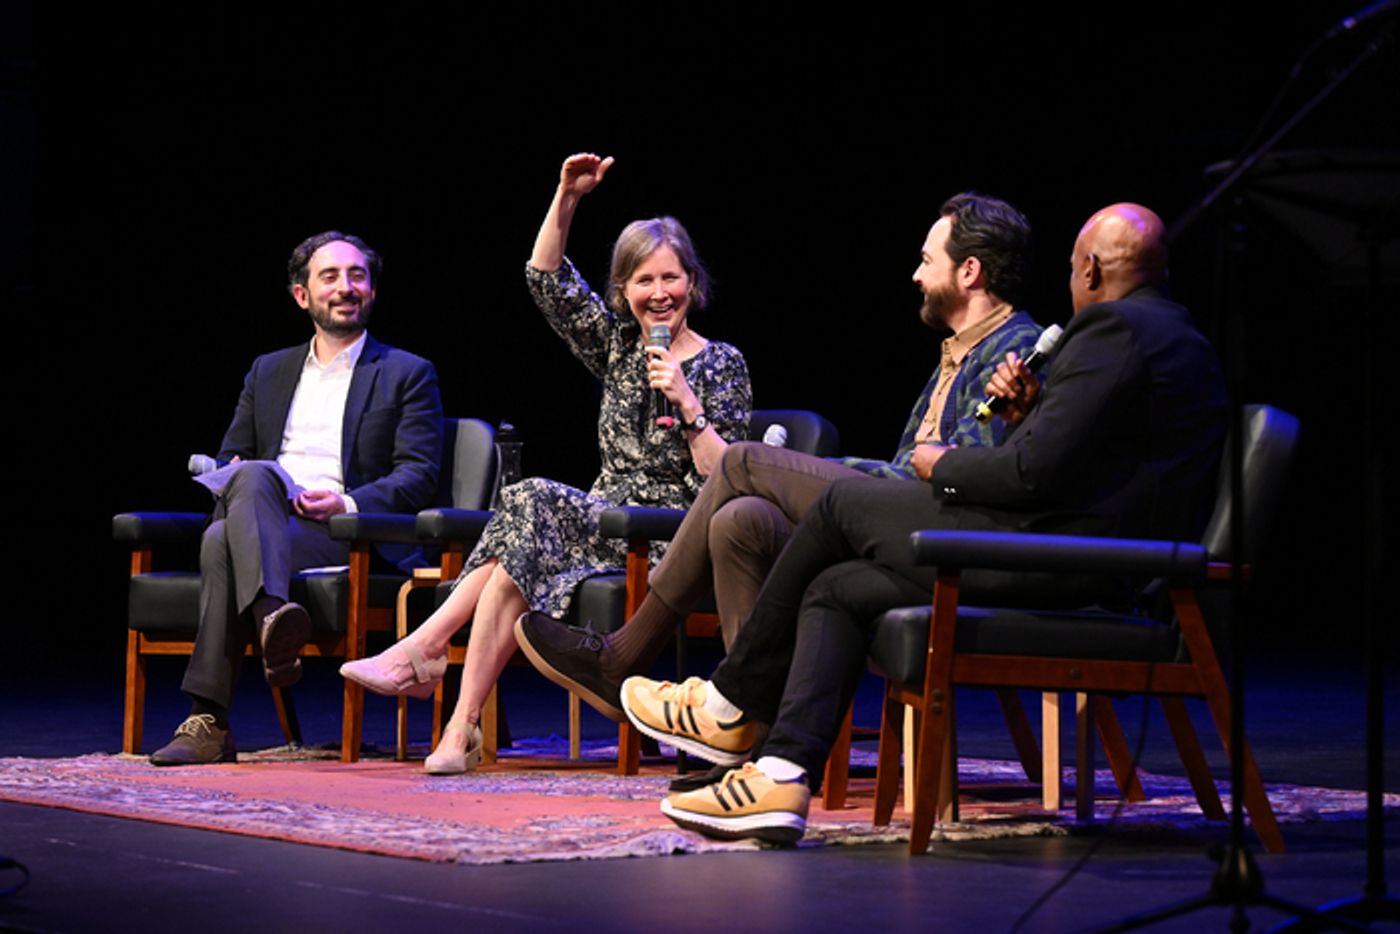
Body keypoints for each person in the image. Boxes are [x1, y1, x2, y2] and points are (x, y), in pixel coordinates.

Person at [621, 203, 1230, 843]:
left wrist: (944, 464)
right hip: (1082, 557)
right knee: (841, 586)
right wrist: (1027, 419)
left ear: (1091, 267)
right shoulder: (1173, 335)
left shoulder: (1111, 328)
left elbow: (1028, 477)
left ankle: (730, 703)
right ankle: (780, 772)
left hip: (1076, 570)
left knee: (837, 507)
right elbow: (1082, 465)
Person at [514, 193, 1044, 778]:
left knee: (742, 462)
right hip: (894, 522)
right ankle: (746, 736)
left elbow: (955, 475)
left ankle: (623, 653)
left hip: (934, 537)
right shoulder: (956, 352)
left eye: (928, 260)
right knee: (738, 521)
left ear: (969, 271)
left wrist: (854, 471)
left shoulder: (1011, 352)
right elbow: (918, 461)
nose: (917, 274)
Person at [340, 153, 752, 774]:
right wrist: (566, 197)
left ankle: (428, 652)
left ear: (692, 283)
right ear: (624, 292)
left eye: (670, 279)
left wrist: (688, 404)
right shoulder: (616, 343)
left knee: (528, 505)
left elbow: (728, 479)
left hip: (674, 534)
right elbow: (545, 277)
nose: (658, 293)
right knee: (517, 552)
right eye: (643, 281)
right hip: (604, 520)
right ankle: (458, 728)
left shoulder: (723, 363)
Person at [150, 231, 444, 766]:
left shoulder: (407, 373)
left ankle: (208, 719)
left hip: (345, 535)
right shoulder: (268, 370)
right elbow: (231, 456)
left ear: (372, 291)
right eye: (329, 277)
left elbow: (418, 476)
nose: (345, 287)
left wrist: (347, 504)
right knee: (246, 492)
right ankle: (271, 616)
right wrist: (240, 472)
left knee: (221, 540)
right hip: (266, 516)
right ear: (302, 295)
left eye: (357, 276)